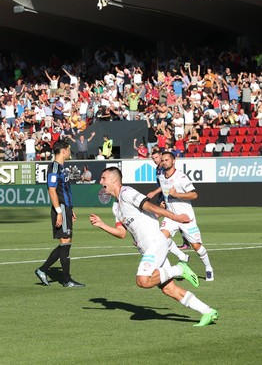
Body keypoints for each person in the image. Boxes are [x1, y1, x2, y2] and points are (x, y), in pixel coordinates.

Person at [89, 167, 218, 327]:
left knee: (143, 280)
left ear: (114, 180)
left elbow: (149, 206)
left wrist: (175, 217)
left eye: (103, 178)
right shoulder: (116, 207)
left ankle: (180, 269)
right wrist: (102, 225)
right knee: (169, 289)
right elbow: (121, 233)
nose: (101, 182)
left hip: (156, 243)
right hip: (148, 249)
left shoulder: (127, 192)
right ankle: (208, 311)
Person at [34, 140, 85, 288]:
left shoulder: (62, 168)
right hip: (60, 208)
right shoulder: (55, 167)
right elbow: (51, 189)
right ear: (63, 150)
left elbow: (64, 191)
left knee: (66, 242)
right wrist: (59, 212)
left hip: (65, 207)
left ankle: (45, 270)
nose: (69, 152)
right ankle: (65, 279)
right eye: (68, 149)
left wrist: (70, 209)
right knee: (65, 242)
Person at [158, 152, 215, 281]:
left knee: (196, 246)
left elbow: (194, 195)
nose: (164, 162)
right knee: (160, 238)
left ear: (174, 161)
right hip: (171, 216)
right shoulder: (161, 176)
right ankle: (182, 257)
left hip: (186, 217)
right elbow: (165, 191)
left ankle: (208, 267)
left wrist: (177, 194)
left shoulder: (181, 177)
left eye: (167, 160)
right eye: (163, 160)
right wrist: (163, 202)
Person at [146, 150, 191, 252]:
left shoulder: (164, 169)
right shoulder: (158, 169)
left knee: (155, 216)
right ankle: (185, 241)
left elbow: (166, 185)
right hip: (163, 196)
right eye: (153, 158)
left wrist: (154, 193)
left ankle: (148, 238)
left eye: (156, 157)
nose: (155, 160)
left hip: (166, 196)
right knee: (166, 217)